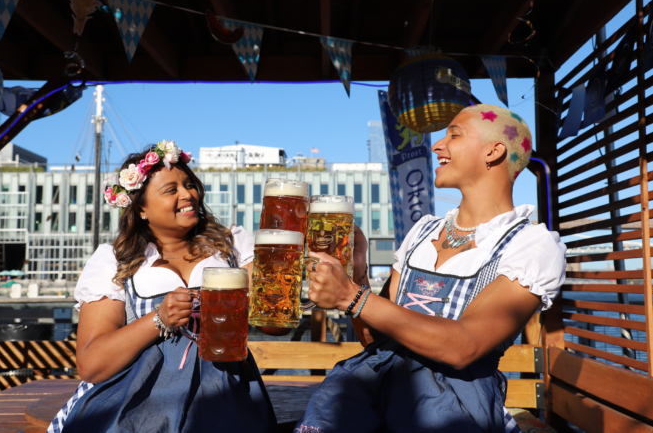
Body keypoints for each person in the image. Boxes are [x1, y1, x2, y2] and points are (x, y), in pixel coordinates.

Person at [295, 105, 566, 433]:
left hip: (452, 406)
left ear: (493, 152)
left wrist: (353, 296)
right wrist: (358, 274)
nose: (437, 145)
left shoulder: (532, 246)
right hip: (373, 392)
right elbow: (377, 341)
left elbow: (463, 346)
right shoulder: (422, 231)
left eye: (454, 134)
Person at [48, 140, 277, 433]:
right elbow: (92, 365)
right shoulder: (114, 262)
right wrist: (159, 319)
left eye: (189, 184)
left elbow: (274, 325)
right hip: (137, 402)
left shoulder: (233, 247)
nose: (188, 194)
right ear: (141, 209)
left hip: (224, 396)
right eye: (171, 190)